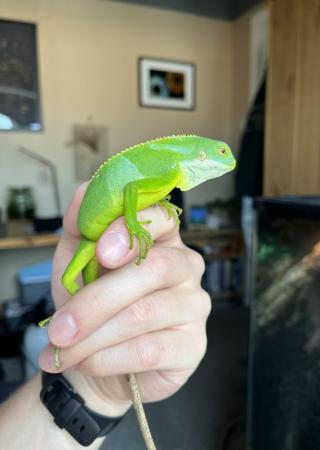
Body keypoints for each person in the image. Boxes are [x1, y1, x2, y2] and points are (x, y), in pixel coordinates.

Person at [0, 183, 211, 449]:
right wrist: (73, 317)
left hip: (107, 264)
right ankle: (72, 322)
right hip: (91, 258)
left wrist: (93, 389)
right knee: (69, 279)